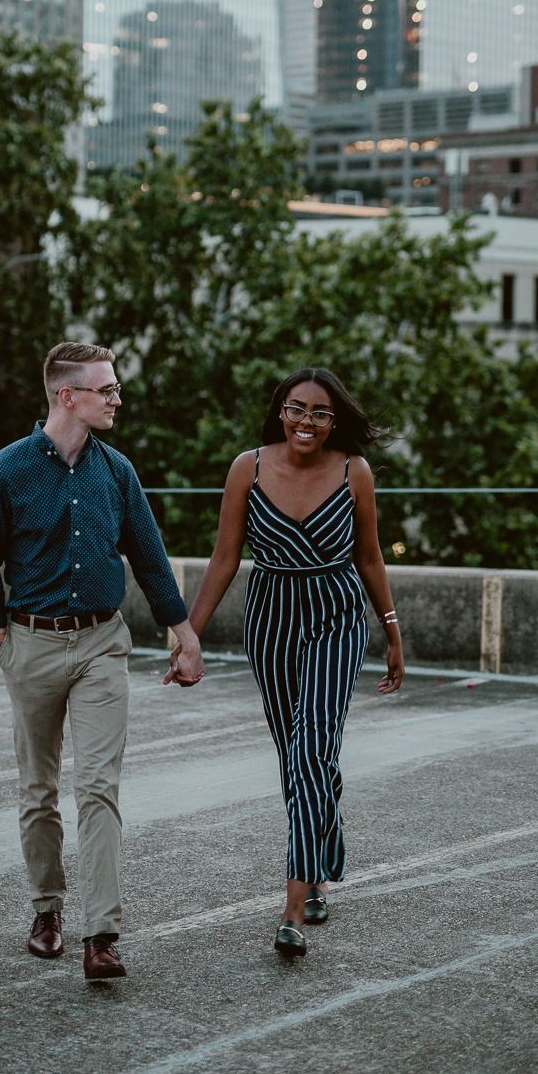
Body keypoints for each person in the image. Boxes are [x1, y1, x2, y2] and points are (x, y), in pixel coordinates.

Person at [0, 342, 205, 981]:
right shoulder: (5, 472)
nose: (117, 399)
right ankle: (46, 909)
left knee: (98, 788)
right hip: (32, 645)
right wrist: (2, 646)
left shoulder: (118, 473)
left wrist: (185, 636)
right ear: (66, 396)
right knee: (38, 791)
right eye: (106, 389)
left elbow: (151, 561)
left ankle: (101, 934)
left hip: (104, 642)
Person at [166, 367, 403, 956]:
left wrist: (392, 630)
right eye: (297, 409)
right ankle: (320, 865)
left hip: (336, 616)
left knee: (312, 747)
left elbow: (370, 557)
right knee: (298, 754)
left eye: (321, 413)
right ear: (280, 411)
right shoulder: (247, 467)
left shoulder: (354, 471)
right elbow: (224, 558)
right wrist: (187, 635)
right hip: (271, 619)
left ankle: (293, 909)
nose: (307, 421)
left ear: (334, 421)